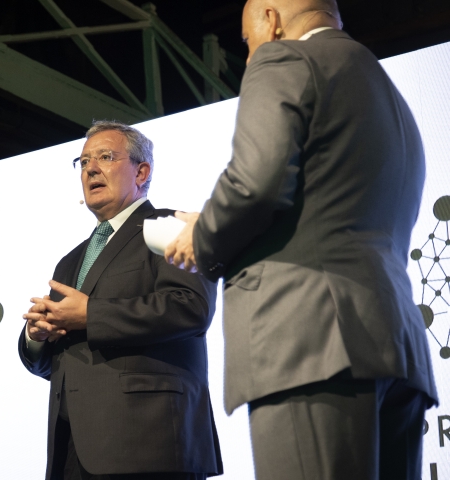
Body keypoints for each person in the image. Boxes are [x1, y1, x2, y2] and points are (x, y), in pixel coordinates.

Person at [165, 1, 438, 479]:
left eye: (247, 45)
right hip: (398, 349)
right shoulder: (387, 94)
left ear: (270, 21)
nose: (250, 61)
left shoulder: (284, 58)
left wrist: (201, 233)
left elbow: (256, 184)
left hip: (310, 343)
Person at [19, 121, 223, 480]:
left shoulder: (173, 227)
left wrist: (90, 314)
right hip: (72, 448)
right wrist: (37, 338)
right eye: (82, 162)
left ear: (141, 171)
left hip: (149, 440)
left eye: (105, 157)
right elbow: (60, 363)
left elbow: (190, 307)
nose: (91, 168)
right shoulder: (70, 261)